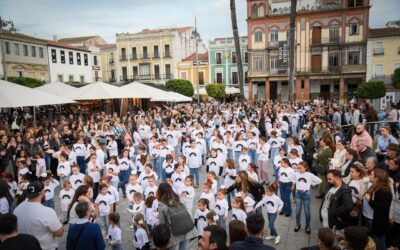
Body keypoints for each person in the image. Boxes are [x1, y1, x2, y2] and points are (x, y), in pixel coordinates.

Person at [13, 181, 64, 250]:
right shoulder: (48, 212)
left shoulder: (17, 210)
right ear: (42, 192)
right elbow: (59, 233)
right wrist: (58, 221)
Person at [156, 183, 197, 250]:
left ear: (160, 192)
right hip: (187, 226)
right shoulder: (177, 198)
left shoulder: (161, 204)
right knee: (184, 248)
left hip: (174, 232)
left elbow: (162, 223)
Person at [364, 168, 392, 250]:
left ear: (377, 178)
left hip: (380, 222)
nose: (369, 176)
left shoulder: (383, 191)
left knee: (379, 242)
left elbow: (380, 207)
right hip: (379, 221)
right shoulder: (381, 188)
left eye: (372, 175)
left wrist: (369, 200)